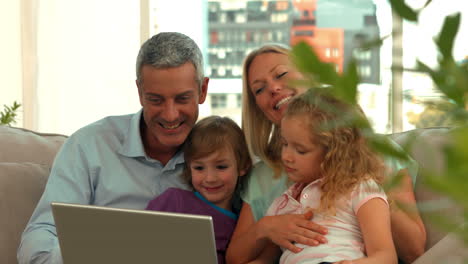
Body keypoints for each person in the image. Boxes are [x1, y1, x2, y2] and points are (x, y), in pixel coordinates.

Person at [17, 32, 209, 264]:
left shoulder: (223, 156)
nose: (170, 115)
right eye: (156, 100)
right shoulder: (89, 146)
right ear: (139, 92)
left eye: (182, 99)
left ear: (203, 90)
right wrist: (88, 253)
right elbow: (39, 237)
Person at [226, 44, 426, 264]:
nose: (273, 88)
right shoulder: (271, 185)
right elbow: (241, 258)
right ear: (257, 106)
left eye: (282, 74)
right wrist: (267, 226)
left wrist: (367, 169)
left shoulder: (377, 155)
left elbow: (413, 251)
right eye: (259, 89)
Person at [256, 89, 397, 264]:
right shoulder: (282, 205)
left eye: (300, 150)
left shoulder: (360, 189)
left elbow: (386, 257)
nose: (286, 156)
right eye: (284, 144)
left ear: (334, 153)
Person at [146, 115, 252, 264]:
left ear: (243, 166)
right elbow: (141, 241)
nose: (210, 178)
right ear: (189, 168)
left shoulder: (242, 223)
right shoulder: (175, 201)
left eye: (221, 167)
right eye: (199, 168)